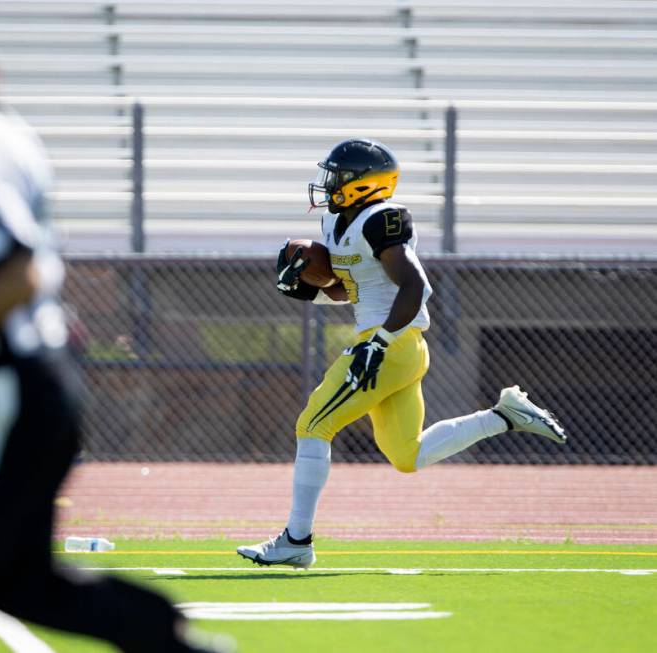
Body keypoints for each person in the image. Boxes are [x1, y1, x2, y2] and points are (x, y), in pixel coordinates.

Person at [0, 25, 232, 653]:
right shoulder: (11, 140)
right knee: (23, 584)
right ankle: (169, 640)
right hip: (36, 382)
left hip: (6, 384)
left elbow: (19, 267)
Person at [236, 138, 566, 568]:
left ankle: (297, 540)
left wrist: (380, 342)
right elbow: (352, 289)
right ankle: (503, 416)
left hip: (389, 343)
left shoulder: (381, 220)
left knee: (313, 422)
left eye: (338, 176)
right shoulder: (339, 224)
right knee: (407, 454)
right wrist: (308, 291)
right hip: (399, 346)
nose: (328, 184)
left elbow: (416, 287)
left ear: (363, 183)